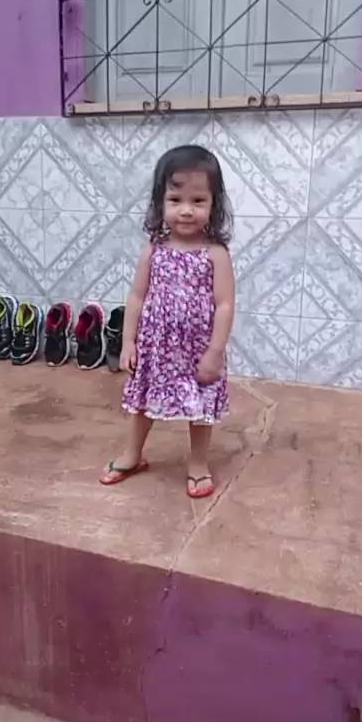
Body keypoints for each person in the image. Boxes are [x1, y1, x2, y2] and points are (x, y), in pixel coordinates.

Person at [100, 144, 235, 498]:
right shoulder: (153, 251)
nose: (186, 210)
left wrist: (215, 352)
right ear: (160, 203)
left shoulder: (215, 254)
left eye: (198, 201)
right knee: (143, 402)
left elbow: (224, 305)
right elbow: (136, 297)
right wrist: (128, 342)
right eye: (176, 200)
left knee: (200, 406)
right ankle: (133, 454)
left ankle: (198, 463)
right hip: (156, 348)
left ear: (214, 205)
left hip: (198, 350)